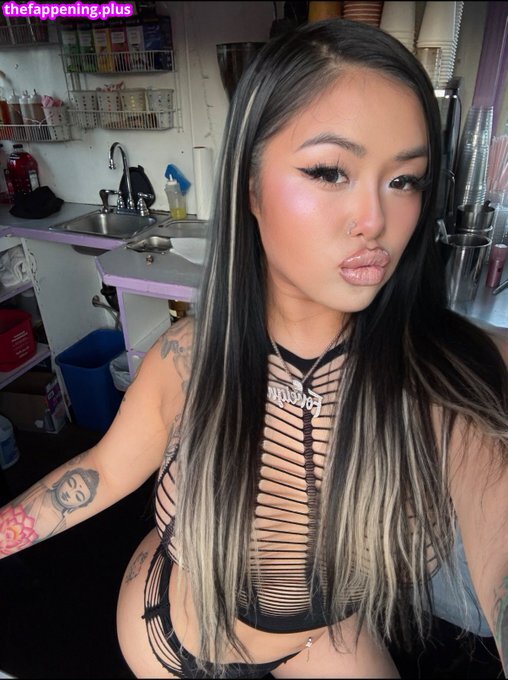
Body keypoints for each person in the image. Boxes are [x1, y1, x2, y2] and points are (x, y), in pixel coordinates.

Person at [0, 18, 507, 679]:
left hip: (317, 645)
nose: (375, 220)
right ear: (249, 187)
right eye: (330, 171)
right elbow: (103, 470)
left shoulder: (447, 379)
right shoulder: (188, 356)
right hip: (163, 633)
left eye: (405, 180)